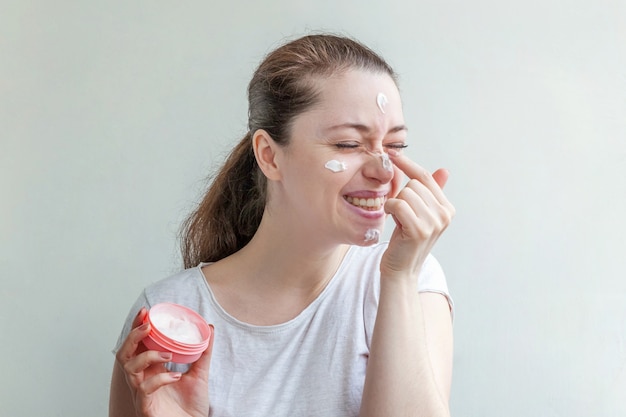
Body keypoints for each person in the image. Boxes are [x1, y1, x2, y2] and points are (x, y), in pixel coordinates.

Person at [109, 33, 455, 417]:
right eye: (348, 144)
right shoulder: (167, 317)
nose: (384, 170)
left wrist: (401, 275)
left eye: (396, 146)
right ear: (269, 156)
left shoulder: (411, 283)